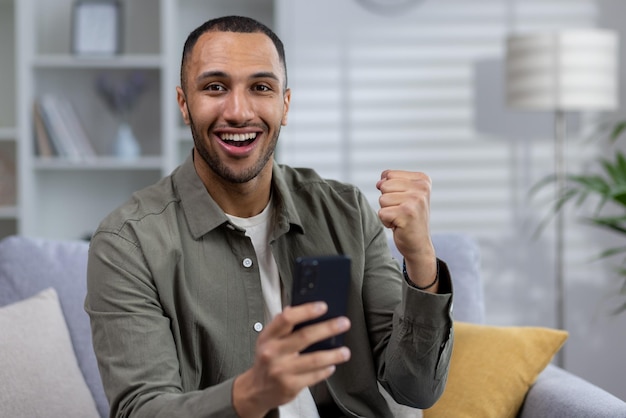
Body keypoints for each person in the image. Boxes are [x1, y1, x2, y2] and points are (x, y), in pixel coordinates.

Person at [85, 15, 453, 418]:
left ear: (285, 104)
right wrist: (250, 393)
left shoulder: (346, 212)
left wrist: (420, 259)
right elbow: (142, 410)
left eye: (261, 88)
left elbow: (414, 389)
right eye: (214, 87)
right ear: (184, 105)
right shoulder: (127, 242)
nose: (239, 112)